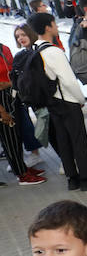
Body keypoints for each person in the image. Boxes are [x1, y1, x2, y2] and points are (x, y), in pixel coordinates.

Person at [28, 13, 87, 191]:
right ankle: (86, 178)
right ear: (47, 27)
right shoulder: (53, 51)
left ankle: (72, 179)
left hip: (51, 102)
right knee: (79, 140)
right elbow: (68, 81)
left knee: (64, 141)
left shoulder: (34, 49)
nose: (57, 27)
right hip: (67, 101)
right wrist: (81, 99)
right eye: (54, 24)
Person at [0, 40, 45, 185]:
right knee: (9, 139)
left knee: (16, 135)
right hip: (2, 100)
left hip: (12, 94)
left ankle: (22, 168)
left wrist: (11, 84)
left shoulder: (4, 48)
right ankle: (22, 175)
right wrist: (1, 111)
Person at [11, 24, 44, 165]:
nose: (20, 38)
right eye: (18, 36)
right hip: (30, 98)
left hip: (45, 97)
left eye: (23, 35)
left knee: (52, 128)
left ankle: (66, 158)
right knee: (44, 129)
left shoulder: (41, 50)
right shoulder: (20, 55)